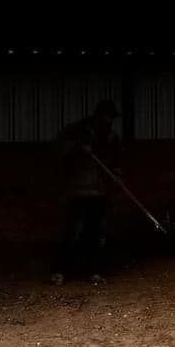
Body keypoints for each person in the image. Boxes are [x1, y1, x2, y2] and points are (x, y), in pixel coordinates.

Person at [51, 99, 121, 284]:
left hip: (99, 191)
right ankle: (60, 271)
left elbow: (115, 161)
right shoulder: (77, 131)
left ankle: (94, 271)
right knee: (73, 231)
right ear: (98, 115)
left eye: (111, 118)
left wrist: (115, 173)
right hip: (78, 190)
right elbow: (60, 152)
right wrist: (78, 148)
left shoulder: (111, 137)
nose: (108, 121)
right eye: (106, 117)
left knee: (97, 233)